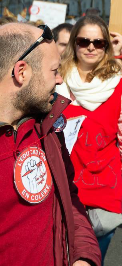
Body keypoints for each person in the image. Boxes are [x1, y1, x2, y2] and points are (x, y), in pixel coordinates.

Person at [0, 22, 101, 266]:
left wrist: (84, 257)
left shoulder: (49, 130)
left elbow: (69, 200)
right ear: (21, 72)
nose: (59, 79)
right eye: (54, 70)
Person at [55, 16, 122, 265]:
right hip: (59, 196)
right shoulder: (55, 84)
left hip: (102, 202)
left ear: (106, 47)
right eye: (84, 41)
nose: (91, 47)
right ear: (74, 44)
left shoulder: (121, 88)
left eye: (98, 42)